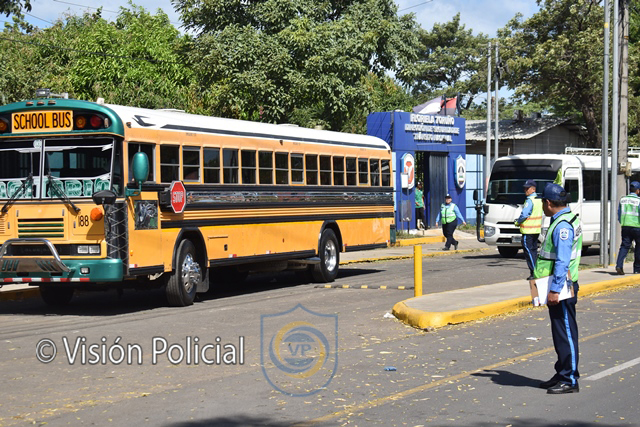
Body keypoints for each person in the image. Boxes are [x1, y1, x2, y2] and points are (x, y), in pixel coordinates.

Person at [534, 183, 582, 394]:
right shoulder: (566, 218)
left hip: (561, 288)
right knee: (560, 332)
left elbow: (562, 261)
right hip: (558, 285)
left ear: (548, 202)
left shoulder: (562, 226)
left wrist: (554, 290)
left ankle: (569, 378)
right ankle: (562, 372)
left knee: (566, 333)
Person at [514, 180, 543, 280]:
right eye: (525, 188)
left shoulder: (530, 200)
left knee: (529, 251)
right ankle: (536, 271)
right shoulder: (538, 199)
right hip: (536, 230)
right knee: (533, 251)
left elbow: (524, 214)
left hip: (528, 231)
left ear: (533, 189)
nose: (525, 190)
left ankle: (534, 272)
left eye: (527, 188)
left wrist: (517, 222)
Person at [615, 181, 640, 275]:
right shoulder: (638, 201)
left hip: (625, 226)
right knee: (638, 247)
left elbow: (619, 213)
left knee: (624, 246)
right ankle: (637, 269)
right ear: (638, 191)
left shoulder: (623, 199)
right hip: (637, 226)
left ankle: (619, 265)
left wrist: (622, 222)